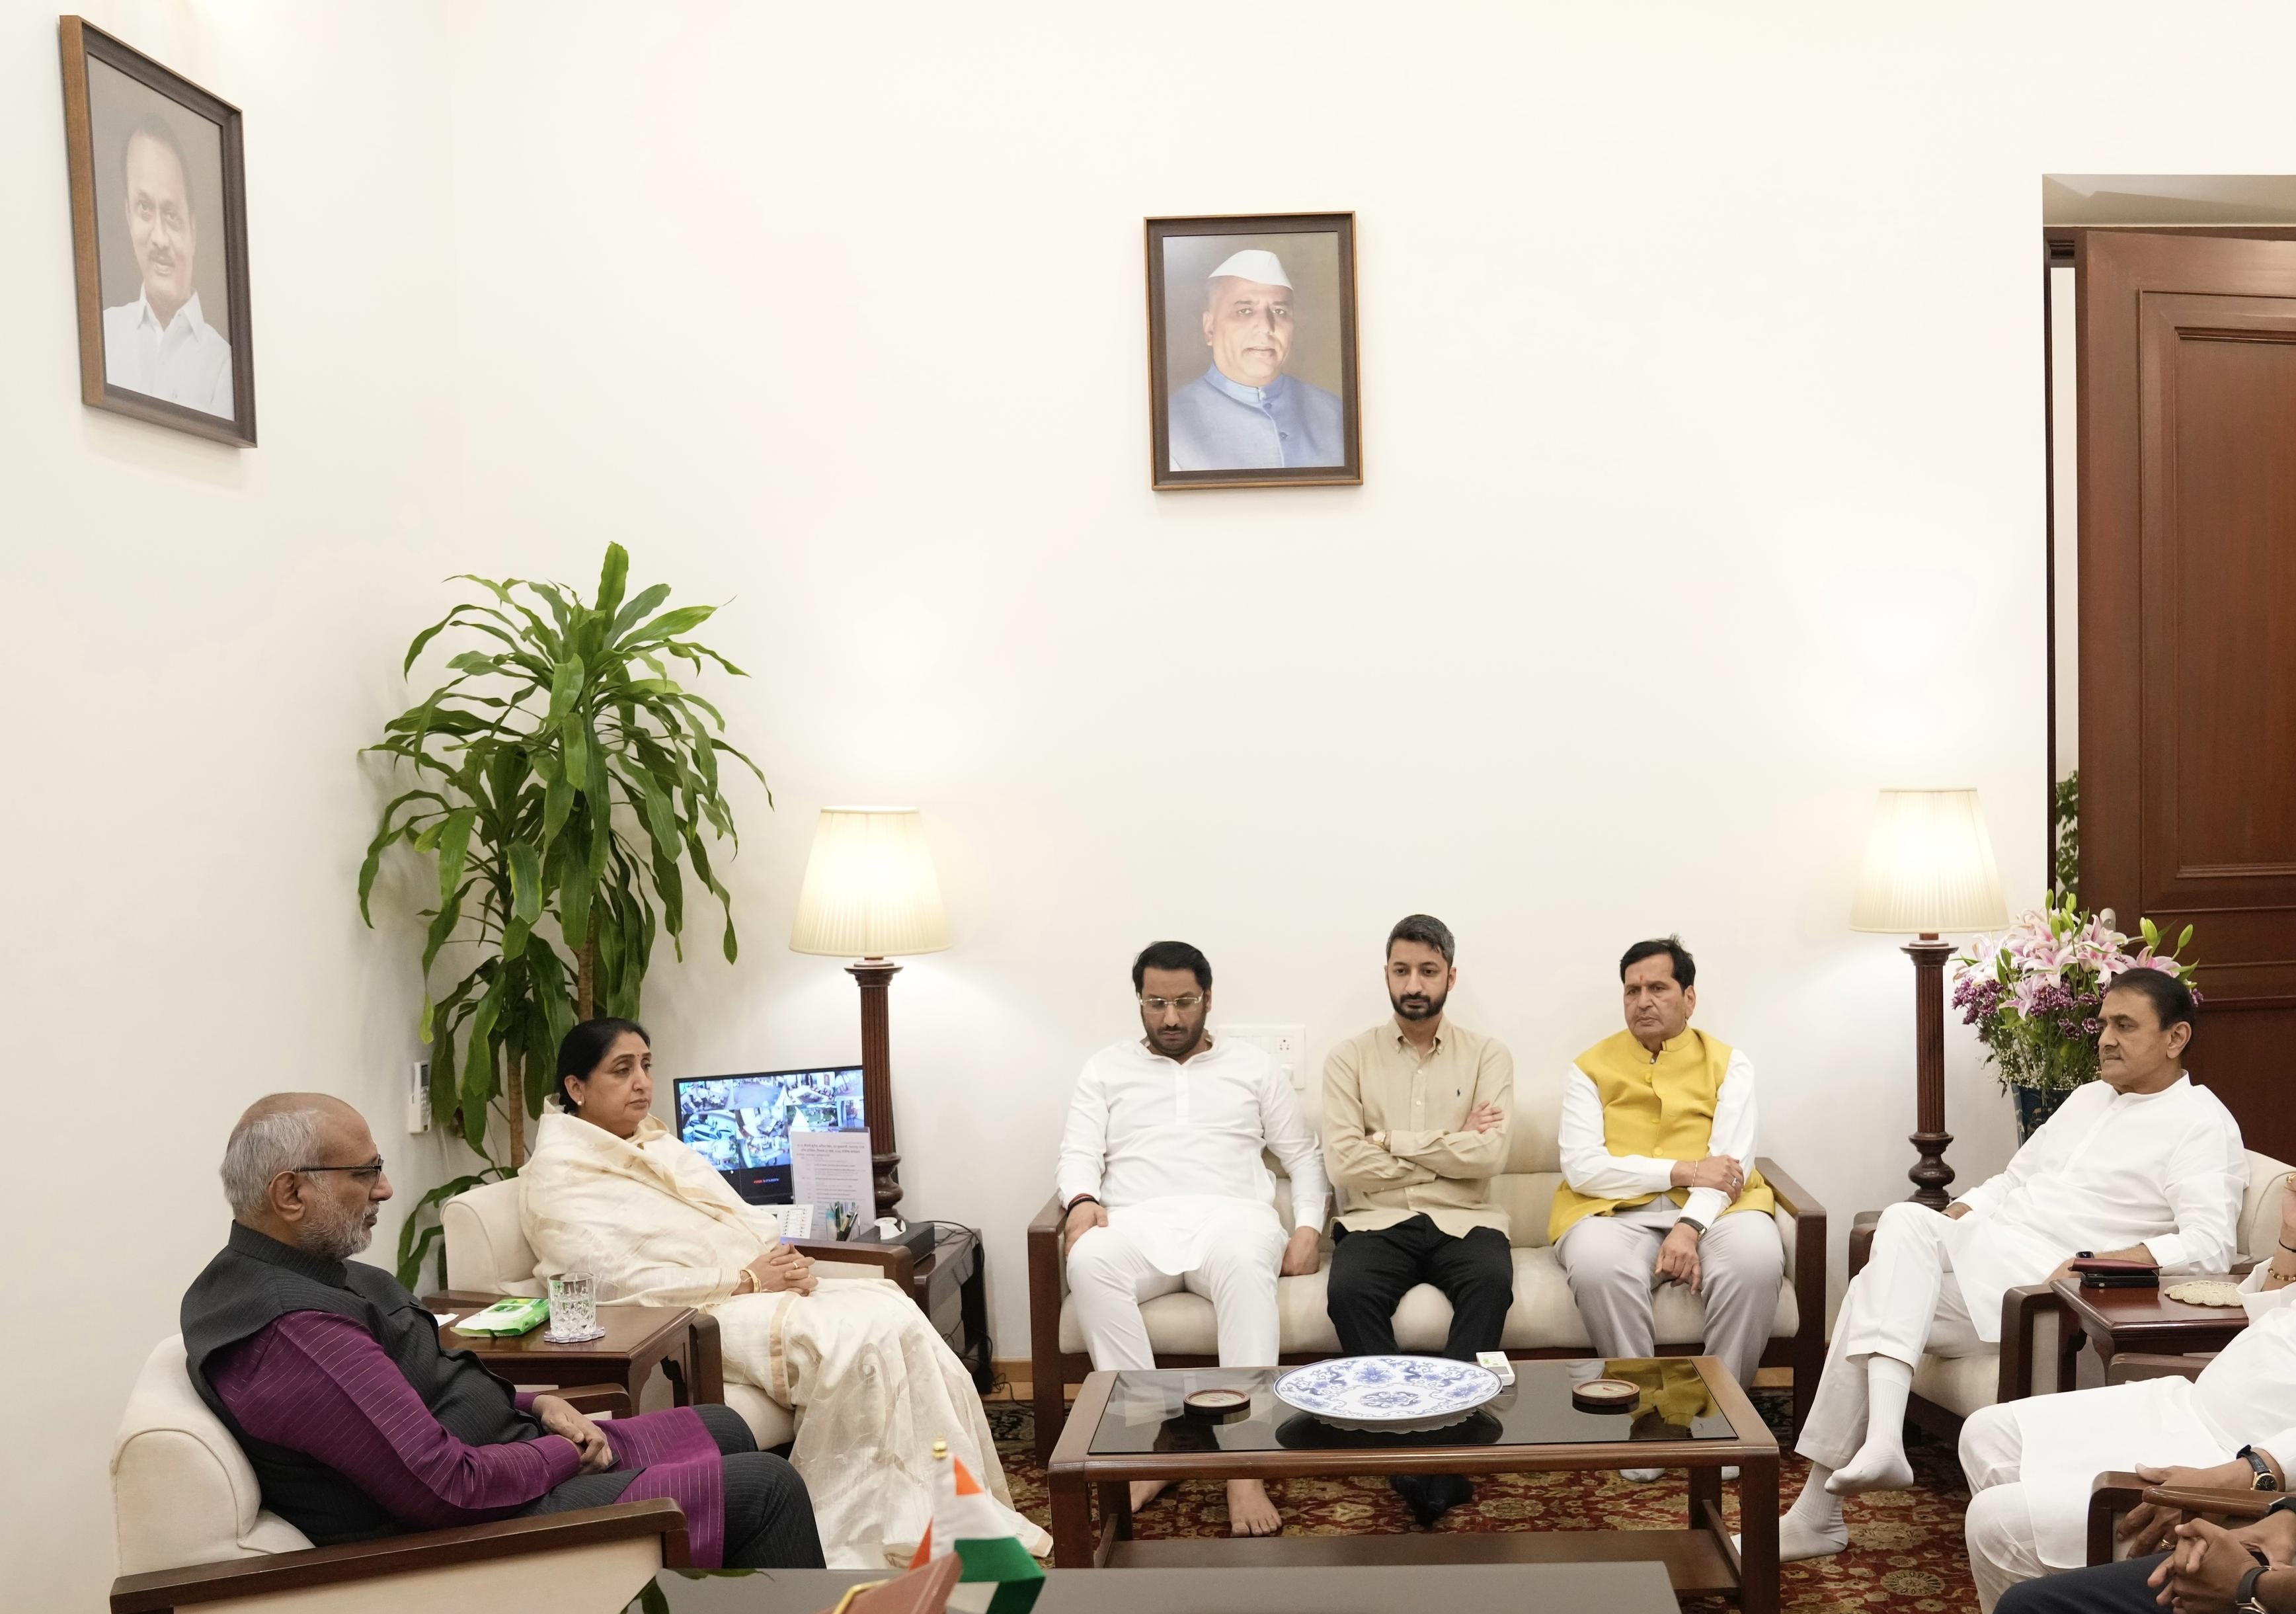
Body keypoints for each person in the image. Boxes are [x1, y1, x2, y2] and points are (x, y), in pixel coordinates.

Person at [181, 1094, 821, 1569]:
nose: (385, 1187)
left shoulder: (313, 1276)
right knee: (765, 1488)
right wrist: (562, 1452)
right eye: (363, 1172)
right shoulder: (295, 1330)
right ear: (291, 1192)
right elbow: (445, 1488)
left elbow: (422, 1386)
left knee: (725, 1427)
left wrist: (538, 1404)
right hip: (469, 1533)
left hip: (503, 1457)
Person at [520, 1020, 1047, 1570]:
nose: (642, 1082)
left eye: (647, 1064)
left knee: (894, 1310)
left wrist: (783, 1257)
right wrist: (747, 1278)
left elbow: (740, 1219)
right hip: (690, 1315)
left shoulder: (655, 1142)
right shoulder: (559, 1175)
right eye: (622, 1069)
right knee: (850, 1342)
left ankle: (944, 1518)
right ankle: (840, 1535)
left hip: (749, 1290)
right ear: (576, 1088)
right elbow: (613, 1283)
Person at [1767, 966, 2246, 1565]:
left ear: (2175, 1038)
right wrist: (1956, 1218)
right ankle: (1836, 1493)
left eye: (2125, 1025)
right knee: (1883, 1274)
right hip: (1992, 1258)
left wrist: (2093, 1262)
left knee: (1901, 1233)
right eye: (2102, 1023)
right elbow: (2012, 1179)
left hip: (2046, 1288)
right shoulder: (2087, 1097)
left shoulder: (2201, 1122)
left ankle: (1829, 1501)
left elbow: (2206, 1245)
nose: (2105, 1038)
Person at [1056, 940, 1329, 1536]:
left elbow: (1303, 1155)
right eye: (1156, 1003)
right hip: (1135, 1220)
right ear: (1139, 1001)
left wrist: (1307, 1227)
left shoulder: (1253, 1066)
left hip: (1231, 1218)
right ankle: (1153, 1446)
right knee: (1089, 1258)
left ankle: (1243, 1462)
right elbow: (1078, 1151)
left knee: (1243, 1261)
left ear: (1208, 998)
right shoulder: (1105, 1067)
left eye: (1183, 1002)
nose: (1171, 1018)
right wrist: (1080, 1200)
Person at [1961, 1167, 2296, 1611]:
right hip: (2184, 1401)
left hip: (2231, 1454)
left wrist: (2247, 1471)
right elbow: (2269, 1319)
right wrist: (2289, 1239)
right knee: (1987, 1432)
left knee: (1996, 1523)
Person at [1552, 936, 1783, 1482]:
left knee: (1755, 1260)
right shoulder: (1588, 1068)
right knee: (1595, 1266)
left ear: (1689, 997)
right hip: (1612, 1212)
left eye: (1657, 987)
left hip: (1717, 1211)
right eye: (1632, 990)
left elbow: (1727, 1168)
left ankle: (1722, 1421)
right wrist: (1679, 1170)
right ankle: (1647, 1420)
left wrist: (1688, 1226)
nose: (1642, 1000)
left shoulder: (1730, 1064)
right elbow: (1583, 1168)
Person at [1322, 913, 1515, 1525]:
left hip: (1467, 1217)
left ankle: (1443, 1444)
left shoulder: (1489, 1054)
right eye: (1402, 969)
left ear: (1450, 977)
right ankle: (1409, 1445)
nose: (1414, 983)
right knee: (1347, 1291)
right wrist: (1445, 1147)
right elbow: (1344, 1164)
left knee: (1491, 1283)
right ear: (1386, 973)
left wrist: (1389, 1141)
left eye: (1427, 971)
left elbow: (1489, 1154)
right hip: (1376, 1221)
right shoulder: (1347, 1058)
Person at [101, 114, 233, 417]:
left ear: (193, 230)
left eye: (172, 215)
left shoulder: (224, 365)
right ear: (128, 216)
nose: (159, 238)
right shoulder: (104, 334)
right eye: (145, 209)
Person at [1166, 248, 1345, 471]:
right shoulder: (1169, 426)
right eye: (1245, 311)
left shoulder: (1338, 415)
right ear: (1210, 328)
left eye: (1279, 312)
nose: (1266, 328)